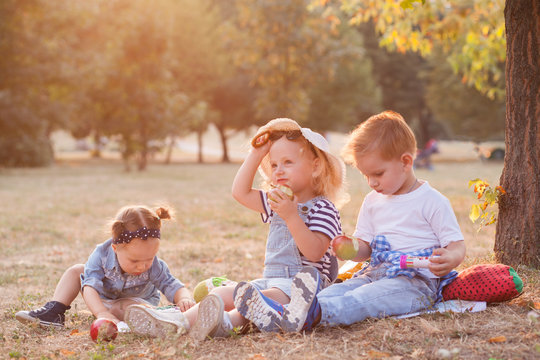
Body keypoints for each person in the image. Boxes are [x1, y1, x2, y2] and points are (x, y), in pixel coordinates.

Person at [124, 118, 347, 340]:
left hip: (301, 292)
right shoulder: (276, 201)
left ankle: (226, 323)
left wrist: (291, 216)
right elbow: (240, 192)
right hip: (270, 280)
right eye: (274, 165)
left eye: (288, 162)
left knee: (253, 301)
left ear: (316, 166)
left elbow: (315, 252)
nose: (278, 171)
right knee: (224, 292)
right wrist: (256, 154)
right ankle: (176, 323)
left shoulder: (323, 208)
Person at [272, 110, 465, 332]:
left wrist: (450, 257)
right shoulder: (372, 201)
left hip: (415, 283)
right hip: (374, 273)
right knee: (337, 291)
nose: (371, 182)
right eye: (366, 175)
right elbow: (367, 249)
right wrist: (350, 249)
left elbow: (457, 244)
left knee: (365, 298)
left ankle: (311, 314)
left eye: (378, 174)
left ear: (405, 162)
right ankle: (289, 310)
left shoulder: (432, 201)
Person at [15, 205, 195, 336]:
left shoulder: (153, 264)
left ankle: (161, 318)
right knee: (77, 270)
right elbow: (89, 286)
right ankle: (54, 311)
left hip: (139, 305)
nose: (142, 266)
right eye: (135, 260)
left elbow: (171, 284)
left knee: (123, 307)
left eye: (149, 259)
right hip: (102, 302)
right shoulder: (101, 254)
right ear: (116, 248)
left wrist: (184, 298)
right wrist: (101, 313)